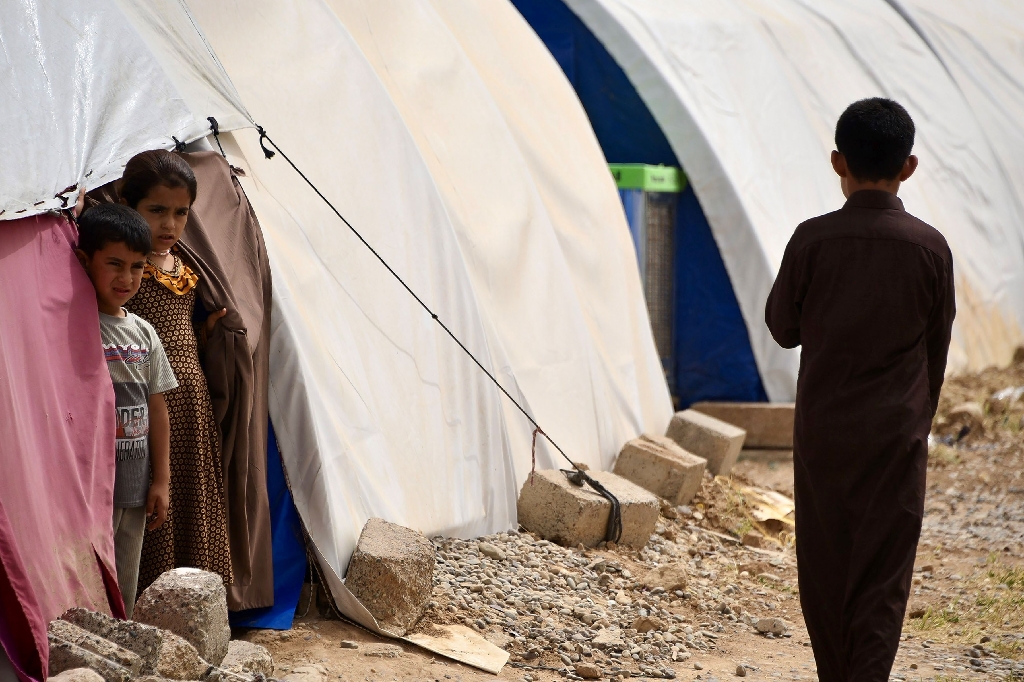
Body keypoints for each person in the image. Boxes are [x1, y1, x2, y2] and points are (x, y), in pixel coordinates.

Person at [765, 98, 956, 682]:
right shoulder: (930, 247)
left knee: (825, 560)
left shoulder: (812, 240)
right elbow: (936, 349)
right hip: (895, 433)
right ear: (910, 167)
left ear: (837, 162)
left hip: (824, 430)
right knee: (883, 569)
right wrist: (916, 419)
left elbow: (783, 328)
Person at [118, 149, 235, 591]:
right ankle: (153, 605)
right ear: (129, 207)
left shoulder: (185, 264)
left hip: (192, 402)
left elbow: (180, 332)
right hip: (147, 406)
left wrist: (206, 335)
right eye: (157, 211)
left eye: (181, 213)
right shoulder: (127, 267)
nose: (169, 224)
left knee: (192, 499)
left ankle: (198, 606)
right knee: (152, 504)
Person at [75, 203, 177, 616]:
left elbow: (158, 409)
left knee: (124, 579)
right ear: (85, 260)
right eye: (114, 264)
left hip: (133, 487)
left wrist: (162, 481)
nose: (126, 278)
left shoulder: (143, 332)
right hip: (87, 486)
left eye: (136, 267)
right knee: (85, 576)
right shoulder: (76, 324)